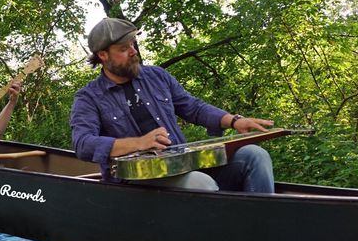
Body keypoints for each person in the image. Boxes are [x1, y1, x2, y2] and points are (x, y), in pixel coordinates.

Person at [70, 17, 275, 192]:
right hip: (136, 182)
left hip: (181, 164)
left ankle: (263, 230)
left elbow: (192, 107)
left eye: (133, 44)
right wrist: (140, 143)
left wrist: (234, 121)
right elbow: (83, 144)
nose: (133, 52)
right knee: (200, 183)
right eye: (124, 49)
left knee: (255, 155)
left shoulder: (156, 76)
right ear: (103, 55)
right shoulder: (88, 97)